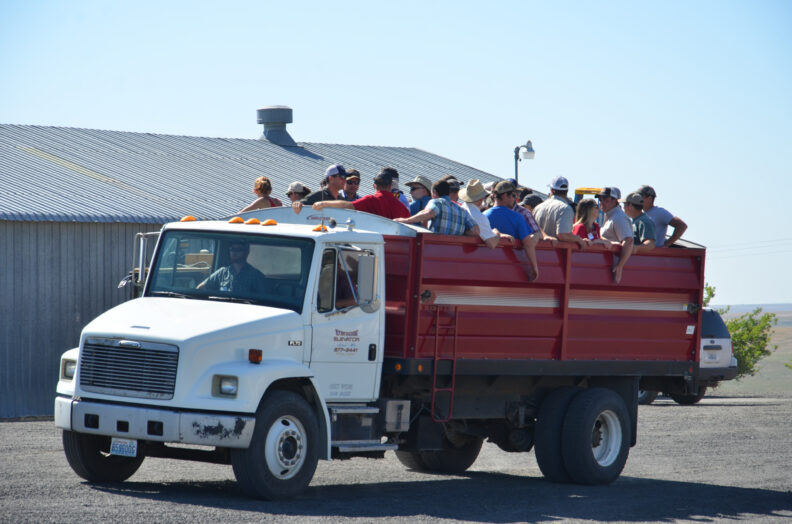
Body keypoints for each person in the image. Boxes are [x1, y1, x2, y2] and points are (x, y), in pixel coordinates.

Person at [483, 181, 540, 281]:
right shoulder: (517, 217)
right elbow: (528, 244)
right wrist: (534, 267)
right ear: (505, 196)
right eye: (513, 195)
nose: (515, 199)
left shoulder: (483, 216)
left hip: (486, 269)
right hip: (512, 271)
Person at [312, 170, 410, 220]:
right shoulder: (402, 207)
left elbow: (348, 206)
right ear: (390, 186)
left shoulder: (370, 200)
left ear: (374, 186)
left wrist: (324, 203)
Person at [395, 180, 479, 238]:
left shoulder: (436, 202)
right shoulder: (462, 211)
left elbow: (428, 213)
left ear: (434, 192)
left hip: (433, 248)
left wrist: (406, 220)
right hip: (453, 252)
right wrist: (459, 231)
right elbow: (476, 230)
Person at [533, 176, 586, 250]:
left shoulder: (537, 208)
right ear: (567, 191)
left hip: (537, 253)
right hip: (555, 256)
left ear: (552, 190)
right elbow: (563, 235)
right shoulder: (565, 208)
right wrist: (579, 240)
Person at [197, 241, 267, 295]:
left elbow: (263, 298)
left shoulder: (255, 275)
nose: (234, 252)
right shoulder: (222, 272)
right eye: (232, 249)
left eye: (238, 250)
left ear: (246, 252)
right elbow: (200, 288)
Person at [597, 187, 634, 284]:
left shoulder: (619, 217)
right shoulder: (611, 215)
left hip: (613, 269)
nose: (602, 202)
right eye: (600, 200)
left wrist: (619, 266)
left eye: (606, 200)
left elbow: (628, 241)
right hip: (606, 268)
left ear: (615, 201)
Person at [458, 179, 501, 249]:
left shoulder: (461, 208)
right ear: (481, 199)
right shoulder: (479, 217)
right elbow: (492, 244)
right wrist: (497, 233)